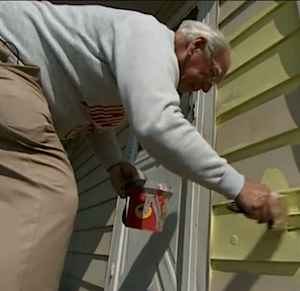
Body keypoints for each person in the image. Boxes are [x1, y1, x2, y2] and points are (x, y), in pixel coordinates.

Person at [0, 1, 283, 291]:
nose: (208, 88)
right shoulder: (150, 38)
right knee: (49, 194)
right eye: (211, 73)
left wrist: (114, 163)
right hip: (9, 55)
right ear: (195, 46)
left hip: (19, 78)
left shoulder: (133, 70)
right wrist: (239, 186)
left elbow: (95, 121)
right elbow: (157, 123)